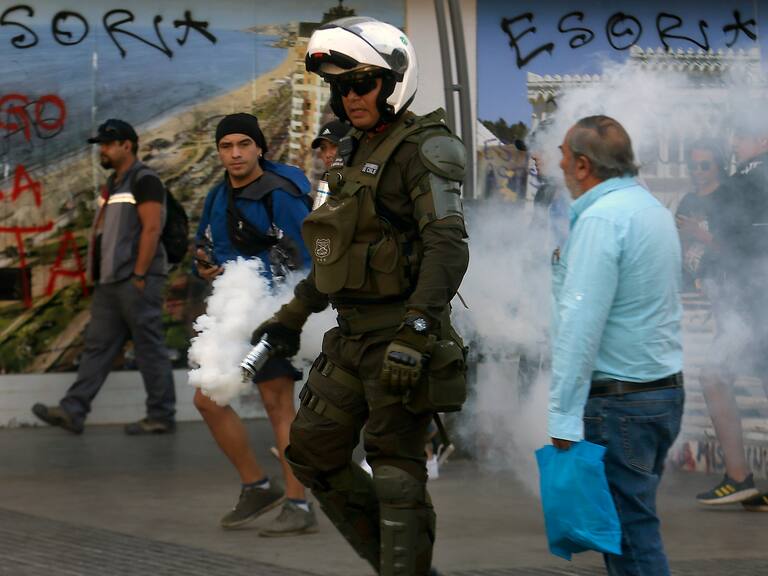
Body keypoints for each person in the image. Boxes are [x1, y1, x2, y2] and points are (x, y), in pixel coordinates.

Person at [250, 17, 469, 576]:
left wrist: (417, 333)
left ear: (394, 80)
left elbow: (447, 248)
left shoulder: (426, 148)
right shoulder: (351, 153)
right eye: (341, 87)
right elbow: (335, 257)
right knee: (312, 453)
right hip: (349, 338)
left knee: (396, 474)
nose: (349, 97)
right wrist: (290, 318)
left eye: (361, 83)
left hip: (399, 336)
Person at [549, 115, 684, 575]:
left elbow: (580, 323)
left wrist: (562, 415)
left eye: (565, 154)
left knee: (630, 539)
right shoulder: (649, 209)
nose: (559, 162)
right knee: (633, 530)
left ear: (584, 165)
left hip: (621, 404)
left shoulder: (603, 219)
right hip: (659, 394)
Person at [191, 113, 318, 536]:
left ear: (259, 147)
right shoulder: (217, 196)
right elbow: (206, 246)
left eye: (243, 144)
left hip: (272, 313)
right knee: (207, 399)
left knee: (278, 405)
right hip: (232, 308)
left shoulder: (280, 194)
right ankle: (257, 485)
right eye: (226, 146)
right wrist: (206, 268)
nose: (235, 153)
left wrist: (290, 312)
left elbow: (313, 255)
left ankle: (299, 504)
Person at [32, 119, 176, 435]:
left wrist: (139, 275)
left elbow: (152, 228)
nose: (103, 150)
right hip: (111, 283)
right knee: (98, 347)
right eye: (101, 145)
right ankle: (73, 410)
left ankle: (161, 415)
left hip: (135, 280)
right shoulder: (112, 184)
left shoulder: (145, 180)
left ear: (127, 145)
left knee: (148, 348)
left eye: (108, 144)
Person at [695, 120, 768, 509]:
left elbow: (730, 244)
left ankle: (738, 476)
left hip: (752, 305)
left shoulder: (741, 184)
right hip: (754, 304)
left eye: (741, 134)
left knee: (713, 374)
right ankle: (740, 478)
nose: (734, 141)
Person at [675, 140, 727, 292]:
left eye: (704, 166)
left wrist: (697, 232)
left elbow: (734, 250)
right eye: (693, 166)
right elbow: (677, 246)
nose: (697, 171)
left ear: (717, 166)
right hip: (686, 284)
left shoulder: (729, 198)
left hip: (718, 286)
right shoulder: (687, 200)